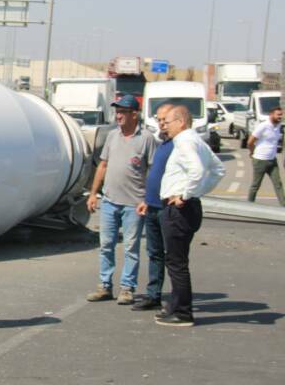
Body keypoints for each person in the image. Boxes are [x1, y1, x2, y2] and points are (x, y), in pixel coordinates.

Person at [156, 105, 225, 327]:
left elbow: (197, 170)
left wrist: (186, 194)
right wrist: (198, 191)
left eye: (168, 121)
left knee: (176, 263)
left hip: (179, 209)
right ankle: (176, 307)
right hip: (186, 207)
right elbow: (218, 169)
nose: (164, 125)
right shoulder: (196, 141)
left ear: (181, 122)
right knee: (176, 260)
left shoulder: (185, 141)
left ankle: (183, 312)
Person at [85, 95, 157, 306]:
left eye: (123, 112)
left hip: (134, 204)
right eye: (117, 112)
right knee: (106, 244)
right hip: (109, 201)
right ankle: (105, 285)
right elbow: (103, 166)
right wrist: (93, 193)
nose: (118, 116)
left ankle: (127, 288)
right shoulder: (113, 136)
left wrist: (147, 198)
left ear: (134, 114)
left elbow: (153, 170)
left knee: (130, 246)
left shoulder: (146, 138)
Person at [133, 103, 175, 311]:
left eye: (164, 119)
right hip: (152, 206)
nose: (160, 123)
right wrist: (146, 201)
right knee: (154, 252)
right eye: (158, 119)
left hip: (169, 209)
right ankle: (153, 294)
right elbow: (154, 173)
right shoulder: (163, 144)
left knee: (174, 256)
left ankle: (177, 299)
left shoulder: (181, 144)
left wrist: (184, 194)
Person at [245, 105, 284, 206]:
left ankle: (283, 206)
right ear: (271, 115)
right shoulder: (263, 126)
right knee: (255, 185)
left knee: (278, 184)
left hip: (272, 160)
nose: (280, 117)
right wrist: (252, 152)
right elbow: (250, 141)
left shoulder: (278, 125)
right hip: (260, 160)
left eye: (281, 115)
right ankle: (249, 205)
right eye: (278, 115)